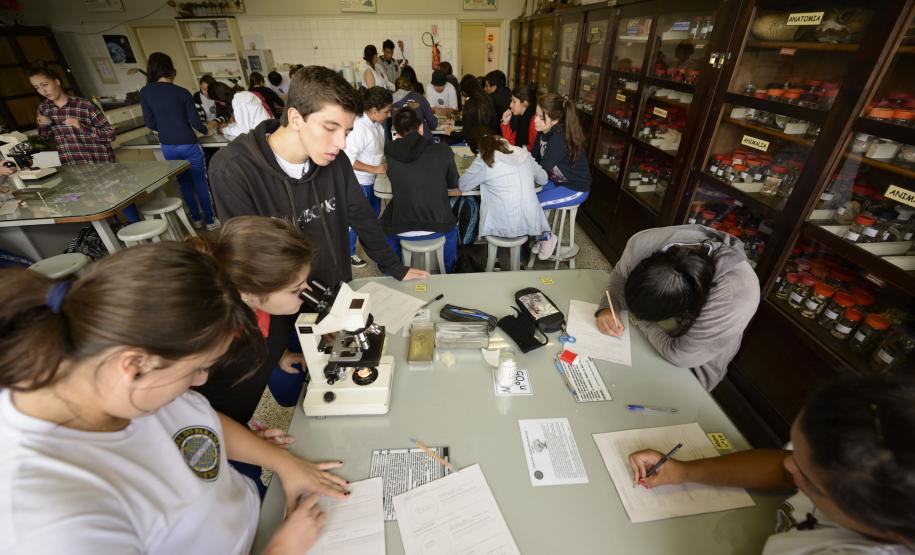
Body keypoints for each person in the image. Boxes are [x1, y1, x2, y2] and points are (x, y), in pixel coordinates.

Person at [0, 242, 350, 554]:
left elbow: (197, 420)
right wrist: (281, 549)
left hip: (255, 516)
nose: (201, 381)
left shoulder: (113, 380)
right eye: (197, 369)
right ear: (134, 365)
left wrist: (282, 463)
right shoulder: (50, 522)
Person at [629, 375, 915, 554]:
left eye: (805, 475)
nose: (788, 464)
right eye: (794, 449)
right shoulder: (847, 459)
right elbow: (781, 469)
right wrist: (682, 471)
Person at [208, 65, 427, 286]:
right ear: (295, 118)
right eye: (330, 128)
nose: (341, 143)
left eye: (347, 132)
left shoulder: (336, 161)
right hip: (281, 302)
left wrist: (394, 267)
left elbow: (363, 218)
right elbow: (246, 259)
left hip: (336, 290)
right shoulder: (233, 170)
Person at [188, 216, 317, 495]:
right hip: (206, 436)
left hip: (237, 424)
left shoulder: (271, 310)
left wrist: (278, 355)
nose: (306, 293)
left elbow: (267, 334)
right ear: (247, 292)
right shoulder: (213, 346)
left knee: (256, 471)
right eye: (296, 289)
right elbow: (189, 417)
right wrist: (247, 442)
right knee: (248, 488)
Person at [595, 225, 760, 391]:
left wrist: (639, 320)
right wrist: (609, 307)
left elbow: (680, 355)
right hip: (648, 334)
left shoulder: (735, 293)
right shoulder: (642, 244)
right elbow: (621, 276)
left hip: (692, 362)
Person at [139, 52, 218, 231]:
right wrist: (208, 130)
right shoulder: (182, 92)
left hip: (168, 146)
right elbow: (197, 123)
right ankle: (211, 221)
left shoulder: (145, 92)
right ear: (170, 70)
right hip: (189, 143)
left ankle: (196, 220)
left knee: (184, 184)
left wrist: (166, 125)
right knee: (200, 182)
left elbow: (150, 123)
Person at [381, 107, 459, 272]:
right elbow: (454, 184)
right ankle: (449, 271)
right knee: (452, 229)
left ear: (397, 132)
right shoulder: (443, 150)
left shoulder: (389, 151)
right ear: (422, 127)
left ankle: (392, 272)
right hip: (438, 225)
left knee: (384, 229)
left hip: (402, 226)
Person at [458, 133, 550, 241]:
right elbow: (543, 179)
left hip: (501, 225)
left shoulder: (486, 158)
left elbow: (463, 185)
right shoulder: (524, 154)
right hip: (530, 223)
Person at [532, 92, 592, 258]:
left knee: (535, 203)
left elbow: (541, 169)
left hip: (575, 188)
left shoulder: (559, 138)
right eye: (535, 115)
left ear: (555, 119)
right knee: (529, 198)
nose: (535, 120)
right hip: (557, 180)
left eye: (540, 117)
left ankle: (547, 238)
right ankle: (542, 237)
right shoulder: (544, 131)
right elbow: (534, 158)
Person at [29, 65, 115, 166]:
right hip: (73, 168)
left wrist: (80, 125)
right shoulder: (43, 109)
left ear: (57, 82)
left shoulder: (85, 105)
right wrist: (45, 125)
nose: (42, 91)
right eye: (37, 88)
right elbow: (45, 140)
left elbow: (110, 135)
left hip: (101, 165)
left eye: (45, 85)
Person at [344, 86, 392, 268]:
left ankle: (371, 245)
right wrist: (375, 169)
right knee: (357, 220)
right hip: (360, 182)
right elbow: (348, 160)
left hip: (372, 180)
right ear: (373, 110)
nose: (389, 114)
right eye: (386, 111)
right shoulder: (358, 128)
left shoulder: (376, 124)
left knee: (372, 216)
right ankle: (348, 253)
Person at [459, 74, 499, 146]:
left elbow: (464, 134)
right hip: (489, 142)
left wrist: (450, 132)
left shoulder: (471, 104)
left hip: (475, 144)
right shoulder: (487, 98)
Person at [500, 82, 538, 152]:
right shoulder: (522, 118)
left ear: (525, 103)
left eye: (514, 101)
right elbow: (512, 144)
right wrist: (505, 123)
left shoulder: (534, 121)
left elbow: (531, 151)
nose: (510, 105)